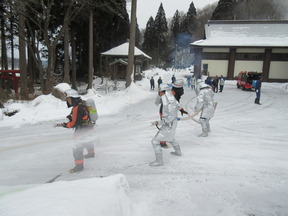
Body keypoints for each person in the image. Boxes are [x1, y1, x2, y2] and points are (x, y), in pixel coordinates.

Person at [59, 89, 95, 173]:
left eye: (68, 99)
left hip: (81, 130)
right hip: (88, 127)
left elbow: (73, 124)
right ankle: (91, 153)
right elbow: (79, 116)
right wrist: (70, 117)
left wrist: (65, 125)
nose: (68, 101)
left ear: (73, 98)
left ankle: (79, 166)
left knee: (77, 148)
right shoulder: (82, 103)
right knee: (87, 141)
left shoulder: (77, 108)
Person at [150, 83, 185, 166]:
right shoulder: (169, 97)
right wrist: (181, 109)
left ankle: (159, 161)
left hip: (169, 124)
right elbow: (178, 104)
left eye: (160, 92)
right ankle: (178, 152)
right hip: (171, 124)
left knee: (155, 141)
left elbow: (171, 117)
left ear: (163, 91)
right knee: (171, 138)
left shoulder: (168, 100)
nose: (159, 94)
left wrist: (159, 122)